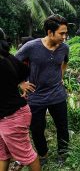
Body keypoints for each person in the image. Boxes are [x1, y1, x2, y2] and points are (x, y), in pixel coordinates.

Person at [16, 15, 70, 165]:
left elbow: (65, 61)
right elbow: (13, 63)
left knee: (62, 127)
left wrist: (61, 76)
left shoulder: (64, 48)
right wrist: (22, 83)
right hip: (36, 96)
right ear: (49, 32)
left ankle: (63, 154)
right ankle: (43, 154)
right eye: (61, 33)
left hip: (57, 95)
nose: (64, 37)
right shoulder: (32, 47)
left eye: (66, 33)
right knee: (37, 129)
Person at [0, 28, 41, 171]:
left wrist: (21, 82)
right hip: (7, 114)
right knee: (3, 155)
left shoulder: (4, 60)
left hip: (11, 116)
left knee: (27, 156)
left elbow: (24, 71)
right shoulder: (7, 57)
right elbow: (24, 71)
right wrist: (21, 82)